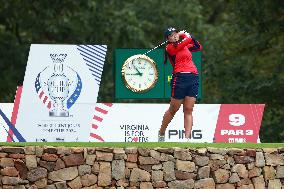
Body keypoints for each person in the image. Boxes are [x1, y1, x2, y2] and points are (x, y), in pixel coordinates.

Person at [158, 27, 202, 142]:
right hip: (180, 78)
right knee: (173, 109)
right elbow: (188, 40)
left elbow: (198, 46)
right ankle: (161, 132)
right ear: (168, 39)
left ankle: (187, 139)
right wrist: (185, 34)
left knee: (188, 109)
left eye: (175, 33)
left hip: (193, 77)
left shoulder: (184, 45)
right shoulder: (170, 47)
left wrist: (188, 36)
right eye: (171, 35)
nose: (175, 36)